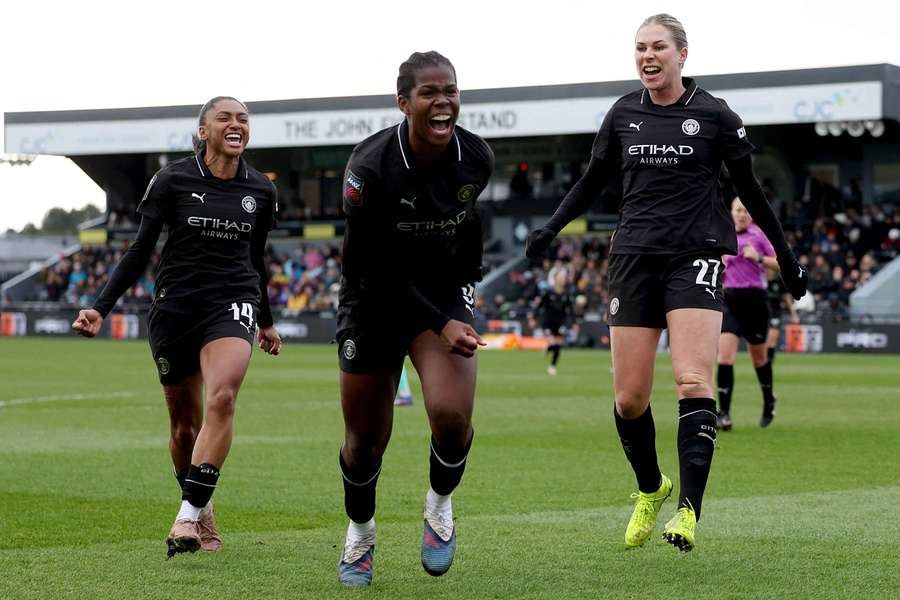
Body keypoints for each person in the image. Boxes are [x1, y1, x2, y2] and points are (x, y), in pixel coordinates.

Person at [526, 14, 807, 552]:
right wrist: (552, 227)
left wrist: (788, 258)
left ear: (682, 54)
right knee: (630, 399)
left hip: (694, 256)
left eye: (658, 47)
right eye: (639, 48)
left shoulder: (715, 116)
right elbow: (591, 181)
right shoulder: (622, 114)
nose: (647, 55)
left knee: (691, 379)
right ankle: (652, 488)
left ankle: (688, 512)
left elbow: (752, 188)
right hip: (632, 259)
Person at [72, 96, 282, 558]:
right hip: (175, 309)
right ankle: (202, 508)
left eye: (243, 119)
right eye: (224, 117)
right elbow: (139, 250)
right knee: (184, 427)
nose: (236, 124)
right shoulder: (171, 180)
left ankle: (187, 514)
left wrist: (264, 321)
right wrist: (100, 307)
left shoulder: (261, 191)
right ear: (203, 131)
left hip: (233, 302)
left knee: (222, 397)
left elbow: (256, 260)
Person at [335, 51, 494, 585]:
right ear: (404, 103)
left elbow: (468, 224)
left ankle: (439, 505)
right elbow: (369, 266)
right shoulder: (369, 167)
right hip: (371, 298)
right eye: (429, 92)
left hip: (441, 296)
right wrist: (441, 319)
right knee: (364, 440)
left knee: (452, 418)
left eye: (450, 89)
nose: (443, 100)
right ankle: (360, 532)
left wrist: (461, 296)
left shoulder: (476, 157)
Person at [716, 197, 781, 431]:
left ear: (751, 214)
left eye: (745, 210)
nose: (741, 214)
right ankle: (723, 413)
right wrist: (720, 265)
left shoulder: (759, 235)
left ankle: (768, 401)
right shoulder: (725, 235)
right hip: (730, 300)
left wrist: (760, 258)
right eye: (737, 210)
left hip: (755, 301)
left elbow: (781, 263)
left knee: (759, 358)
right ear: (731, 212)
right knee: (725, 357)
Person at [535, 268, 574, 375]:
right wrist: (533, 317)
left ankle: (552, 365)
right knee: (554, 342)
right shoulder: (548, 292)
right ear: (555, 278)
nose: (562, 279)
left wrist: (573, 322)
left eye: (564, 277)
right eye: (560, 277)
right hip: (547, 322)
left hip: (559, 323)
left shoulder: (566, 294)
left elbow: (570, 310)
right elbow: (539, 306)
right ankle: (550, 354)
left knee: (558, 346)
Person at [765, 269, 799, 365]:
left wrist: (793, 314)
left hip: (775, 312)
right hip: (762, 312)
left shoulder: (779, 281)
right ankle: (763, 361)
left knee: (771, 340)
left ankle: (769, 363)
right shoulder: (760, 279)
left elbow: (786, 297)